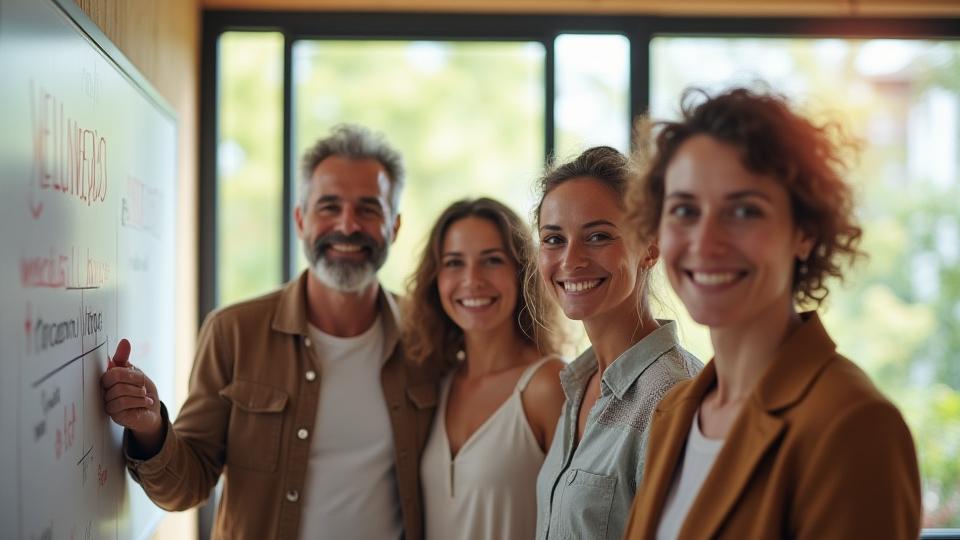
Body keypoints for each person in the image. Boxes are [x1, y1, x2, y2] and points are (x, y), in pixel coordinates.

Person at [100, 124, 439, 540]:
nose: (348, 225)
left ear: (395, 226)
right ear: (300, 220)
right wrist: (150, 427)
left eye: (369, 209)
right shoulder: (234, 332)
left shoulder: (428, 338)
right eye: (329, 206)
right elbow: (185, 488)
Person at [622, 87, 921, 540]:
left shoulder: (853, 424)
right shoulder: (672, 413)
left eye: (743, 210)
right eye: (684, 209)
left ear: (804, 232)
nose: (705, 243)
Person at [533, 146, 703, 540]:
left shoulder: (672, 397)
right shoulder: (579, 384)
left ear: (651, 247)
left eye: (597, 236)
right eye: (553, 239)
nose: (571, 260)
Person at [405, 198, 567, 540]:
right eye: (454, 263)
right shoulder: (438, 385)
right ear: (436, 280)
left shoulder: (547, 386)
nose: (472, 280)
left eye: (492, 260)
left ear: (521, 271)